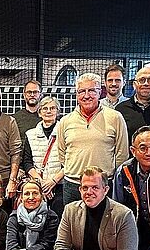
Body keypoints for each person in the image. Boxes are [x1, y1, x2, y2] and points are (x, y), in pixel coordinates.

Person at [48, 73, 129, 205]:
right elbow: (62, 153)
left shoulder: (115, 118)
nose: (86, 96)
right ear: (76, 94)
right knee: (73, 219)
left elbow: (122, 154)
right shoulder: (65, 121)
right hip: (73, 185)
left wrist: (106, 176)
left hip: (102, 185)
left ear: (100, 92)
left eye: (91, 90)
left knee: (104, 219)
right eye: (81, 91)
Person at [20, 97, 64, 215]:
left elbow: (70, 161)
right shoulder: (30, 134)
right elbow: (27, 162)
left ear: (58, 112)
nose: (48, 111)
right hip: (37, 186)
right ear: (39, 112)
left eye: (52, 108)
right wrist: (42, 184)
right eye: (45, 108)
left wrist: (53, 181)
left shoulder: (65, 132)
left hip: (59, 186)